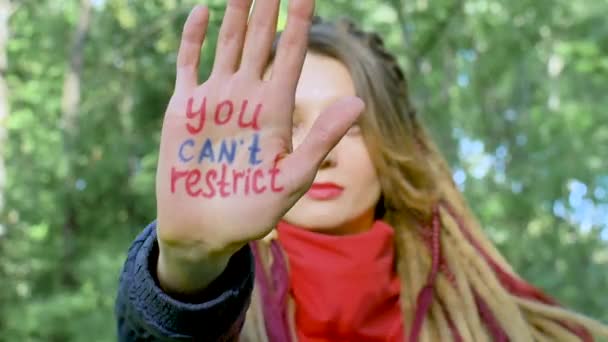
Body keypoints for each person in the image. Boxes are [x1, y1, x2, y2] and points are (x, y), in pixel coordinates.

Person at [114, 0, 608, 341]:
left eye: (348, 127)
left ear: (395, 144)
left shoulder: (524, 328)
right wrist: (187, 270)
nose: (321, 154)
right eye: (291, 126)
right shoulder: (224, 311)